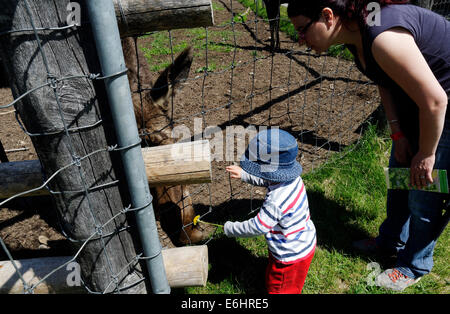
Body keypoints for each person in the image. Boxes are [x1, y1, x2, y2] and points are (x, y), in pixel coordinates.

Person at [287, 0, 449, 291]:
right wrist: (398, 134)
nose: (300, 39)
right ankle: (390, 240)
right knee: (399, 174)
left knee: (427, 189)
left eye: (302, 30)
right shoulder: (355, 36)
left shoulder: (381, 36)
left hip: (441, 104)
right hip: (424, 101)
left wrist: (427, 153)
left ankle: (415, 264)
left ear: (327, 16)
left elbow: (436, 101)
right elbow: (383, 80)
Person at [224, 128, 316, 294]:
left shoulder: (276, 201)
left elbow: (258, 226)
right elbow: (267, 179)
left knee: (279, 289)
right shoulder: (291, 179)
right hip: (300, 241)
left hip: (289, 255)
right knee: (283, 282)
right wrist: (245, 175)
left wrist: (230, 229)